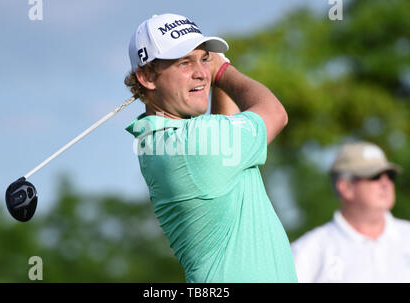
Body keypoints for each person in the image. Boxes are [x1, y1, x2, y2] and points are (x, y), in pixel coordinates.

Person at [124, 13, 297, 283]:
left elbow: (224, 131)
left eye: (204, 59)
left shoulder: (163, 140)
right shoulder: (192, 144)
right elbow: (275, 114)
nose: (202, 73)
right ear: (146, 76)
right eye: (184, 63)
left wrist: (212, 76)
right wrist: (224, 72)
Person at [291, 141, 410, 283]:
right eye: (374, 176)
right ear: (346, 187)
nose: (385, 183)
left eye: (390, 175)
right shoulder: (308, 251)